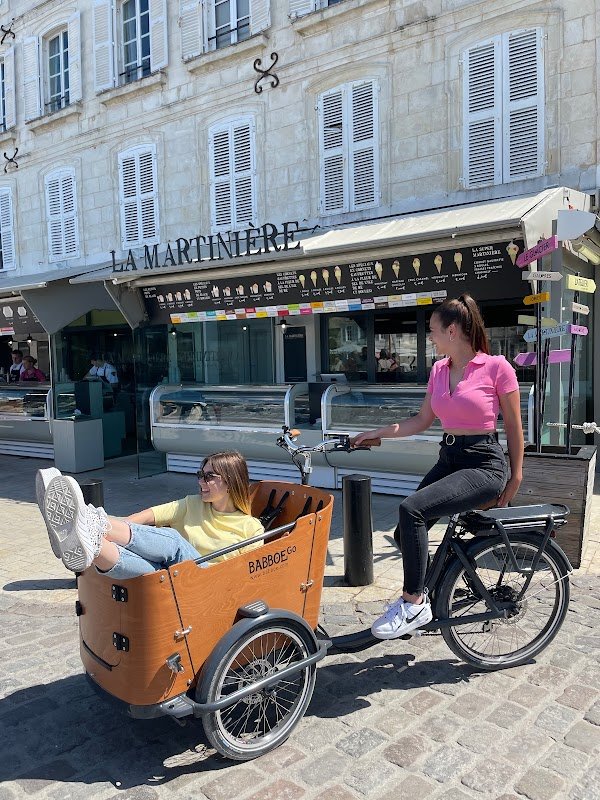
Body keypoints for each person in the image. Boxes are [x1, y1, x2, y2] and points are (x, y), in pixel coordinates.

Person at [352, 294, 524, 640]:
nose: (429, 337)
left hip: (484, 463)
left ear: (452, 330)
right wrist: (377, 433)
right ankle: (436, 588)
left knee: (411, 509)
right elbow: (421, 420)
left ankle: (413, 602)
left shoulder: (496, 367)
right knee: (403, 534)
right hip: (449, 458)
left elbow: (513, 426)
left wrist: (515, 476)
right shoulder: (439, 370)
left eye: (432, 330)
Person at [36, 451, 264, 577]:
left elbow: (248, 576)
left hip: (210, 582)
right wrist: (112, 533)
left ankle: (88, 521)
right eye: (199, 475)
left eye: (208, 477)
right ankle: (79, 537)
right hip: (173, 578)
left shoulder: (251, 528)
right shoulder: (192, 504)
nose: (200, 481)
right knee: (144, 568)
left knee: (174, 541)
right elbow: (146, 516)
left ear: (231, 481)